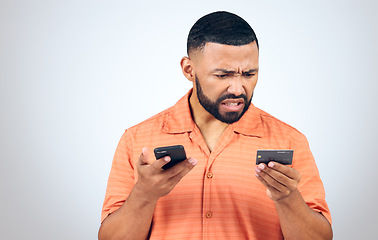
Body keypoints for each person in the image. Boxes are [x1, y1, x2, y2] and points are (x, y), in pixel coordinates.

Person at [99, 11, 332, 240]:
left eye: (249, 74)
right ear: (189, 70)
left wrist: (288, 198)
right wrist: (144, 195)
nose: (238, 89)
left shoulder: (290, 141)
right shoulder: (136, 140)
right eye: (223, 75)